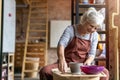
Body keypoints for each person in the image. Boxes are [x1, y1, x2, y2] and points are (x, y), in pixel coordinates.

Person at [39, 7, 109, 80]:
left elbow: (92, 54)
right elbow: (61, 44)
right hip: (67, 64)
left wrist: (88, 62)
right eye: (91, 26)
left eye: (95, 28)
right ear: (85, 20)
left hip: (83, 66)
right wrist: (62, 60)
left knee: (105, 73)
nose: (92, 29)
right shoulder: (71, 30)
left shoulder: (94, 35)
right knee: (45, 71)